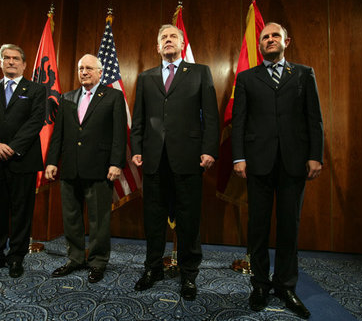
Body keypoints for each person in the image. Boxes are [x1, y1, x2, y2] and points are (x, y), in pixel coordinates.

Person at [232, 22, 323, 319]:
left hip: (294, 163)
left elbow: (314, 120)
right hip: (257, 163)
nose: (270, 39)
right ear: (259, 44)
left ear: (287, 40)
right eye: (265, 37)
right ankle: (259, 284)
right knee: (257, 228)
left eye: (275, 35)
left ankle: (285, 285)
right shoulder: (246, 78)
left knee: (289, 227)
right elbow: (240, 122)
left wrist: (315, 156)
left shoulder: (304, 74)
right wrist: (238, 158)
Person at [130, 24, 220, 300]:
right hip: (154, 160)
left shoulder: (200, 72)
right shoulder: (146, 78)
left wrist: (209, 150)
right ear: (157, 47)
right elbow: (139, 119)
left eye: (173, 37)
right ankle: (152, 268)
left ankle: (189, 274)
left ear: (182, 44)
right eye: (163, 38)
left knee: (189, 220)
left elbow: (211, 116)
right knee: (153, 218)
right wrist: (136, 148)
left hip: (189, 159)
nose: (168, 41)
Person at [44, 54, 127, 283]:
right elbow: (58, 135)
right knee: (71, 217)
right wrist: (52, 161)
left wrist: (116, 163)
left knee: (99, 220)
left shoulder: (113, 96)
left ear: (100, 72)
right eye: (81, 68)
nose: (84, 72)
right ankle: (75, 259)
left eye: (89, 68)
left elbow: (119, 134)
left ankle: (98, 262)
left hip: (100, 168)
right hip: (70, 168)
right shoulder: (67, 97)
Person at [0, 44, 46, 278]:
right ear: (1, 62)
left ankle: (16, 258)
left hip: (22, 160)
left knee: (21, 213)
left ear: (24, 64)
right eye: (6, 58)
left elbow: (36, 121)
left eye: (15, 58)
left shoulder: (36, 89)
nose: (11, 62)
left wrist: (13, 147)